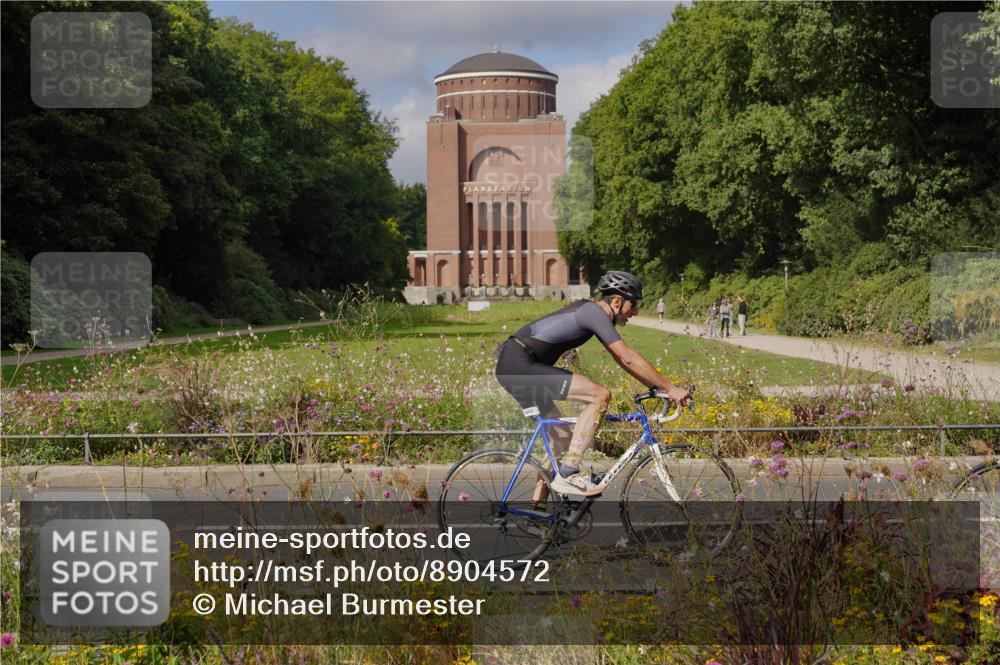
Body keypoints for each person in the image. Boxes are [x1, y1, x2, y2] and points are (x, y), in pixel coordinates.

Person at [494, 271, 691, 498]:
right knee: (600, 395)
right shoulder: (593, 312)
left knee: (562, 440)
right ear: (617, 301)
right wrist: (670, 388)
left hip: (515, 366)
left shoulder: (591, 313)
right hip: (520, 366)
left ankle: (538, 513)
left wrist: (656, 387)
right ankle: (568, 474)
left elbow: (622, 360)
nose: (635, 312)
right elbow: (627, 357)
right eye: (633, 304)